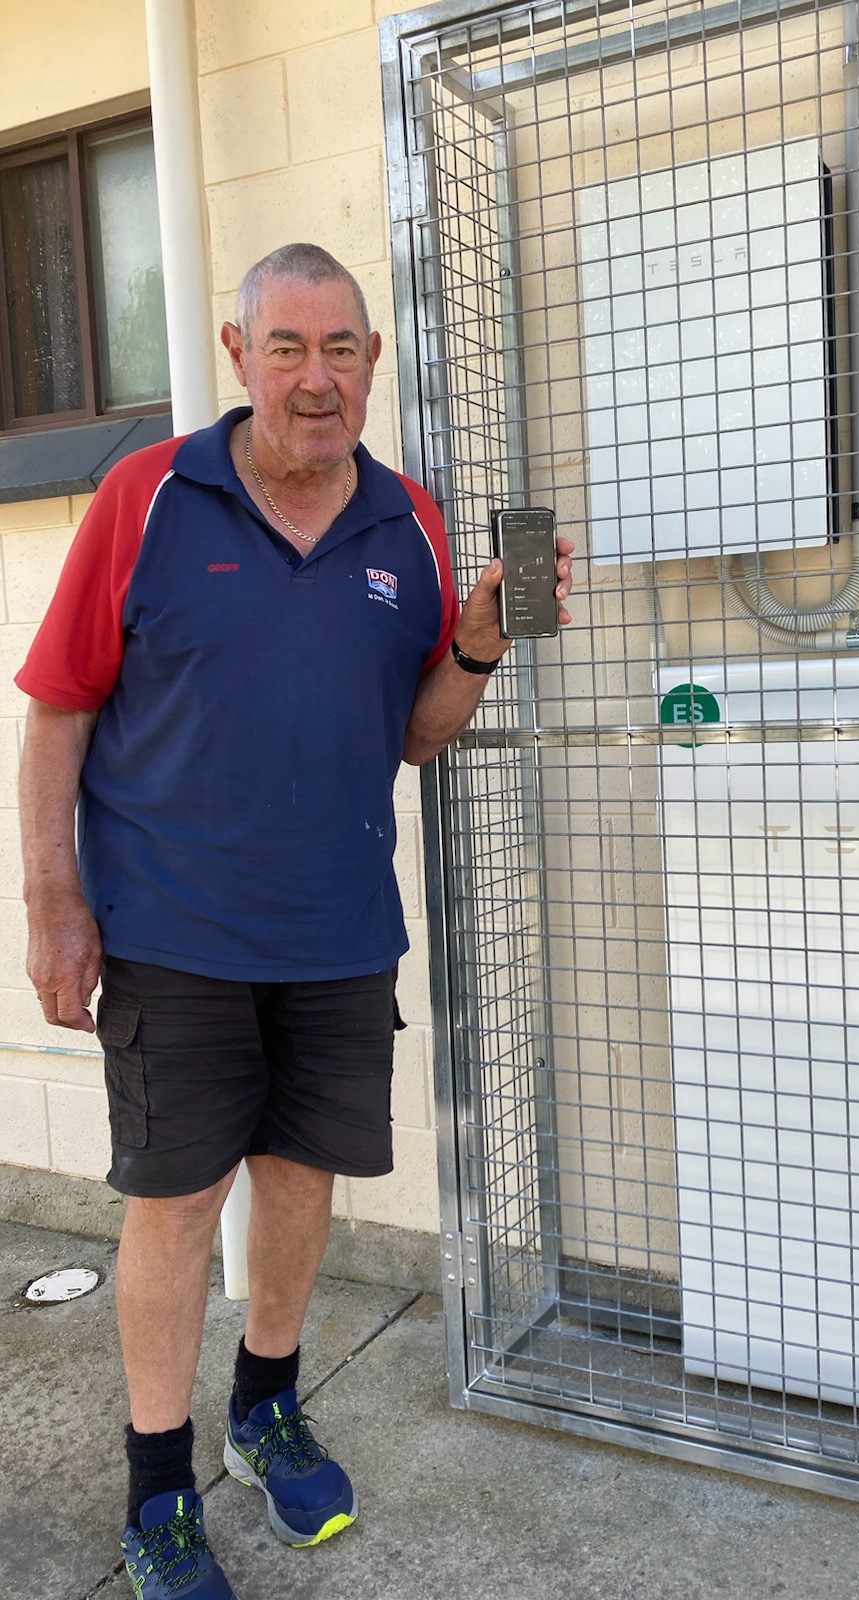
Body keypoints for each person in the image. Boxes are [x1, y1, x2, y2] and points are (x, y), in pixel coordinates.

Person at [16, 242, 573, 1600]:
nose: (316, 379)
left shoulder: (414, 527)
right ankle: (159, 1485)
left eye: (341, 351)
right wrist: (51, 901)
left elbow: (417, 733)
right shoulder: (149, 499)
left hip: (336, 931)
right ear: (237, 352)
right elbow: (57, 705)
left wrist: (483, 641)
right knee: (173, 1203)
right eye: (288, 348)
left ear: (373, 363)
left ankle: (265, 1406)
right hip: (173, 931)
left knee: (303, 1182)